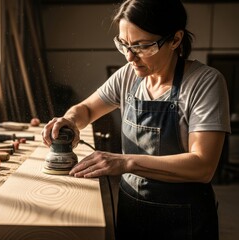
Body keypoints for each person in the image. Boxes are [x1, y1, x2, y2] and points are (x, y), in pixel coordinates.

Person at [41, 0, 231, 239]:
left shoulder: (205, 82)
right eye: (124, 45)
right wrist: (69, 120)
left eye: (142, 46)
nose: (130, 57)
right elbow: (87, 109)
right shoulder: (128, 77)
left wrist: (126, 162)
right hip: (132, 209)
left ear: (175, 40)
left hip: (185, 220)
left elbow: (203, 166)